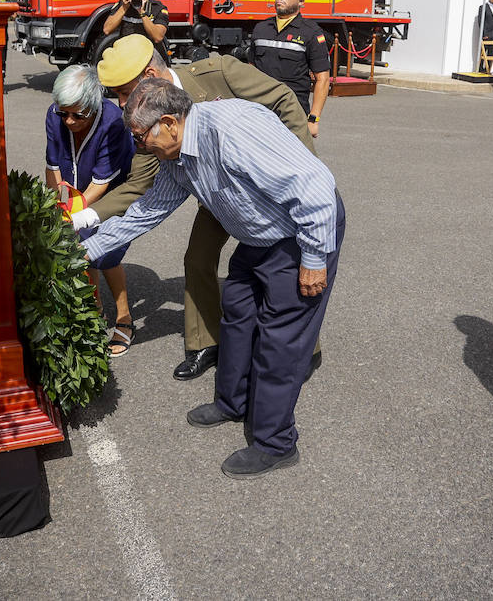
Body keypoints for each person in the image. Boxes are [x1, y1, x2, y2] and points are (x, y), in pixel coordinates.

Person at [81, 79, 344, 479]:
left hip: (301, 231)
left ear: (168, 122)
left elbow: (315, 188)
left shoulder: (233, 131)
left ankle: (276, 442)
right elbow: (148, 209)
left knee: (281, 339)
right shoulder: (176, 154)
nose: (138, 147)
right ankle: (232, 401)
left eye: (140, 137)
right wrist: (85, 251)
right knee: (237, 312)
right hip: (259, 234)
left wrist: (313, 257)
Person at [70, 35, 318, 381]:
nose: (123, 103)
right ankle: (206, 343)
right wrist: (83, 218)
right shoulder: (145, 119)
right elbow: (140, 188)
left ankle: (306, 348)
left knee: (292, 265)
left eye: (126, 92)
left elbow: (283, 99)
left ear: (150, 75)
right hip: (217, 193)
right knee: (197, 259)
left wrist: (300, 168)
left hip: (266, 183)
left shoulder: (218, 73)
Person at [44, 65, 136, 355]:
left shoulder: (113, 123)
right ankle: (94, 310)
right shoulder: (55, 113)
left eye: (77, 115)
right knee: (80, 246)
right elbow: (53, 167)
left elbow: (102, 183)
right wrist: (54, 208)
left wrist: (73, 216)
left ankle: (124, 318)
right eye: (63, 113)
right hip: (77, 187)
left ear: (93, 106)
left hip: (114, 191)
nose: (68, 120)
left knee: (105, 252)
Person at [249, 0, 330, 132]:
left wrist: (313, 119)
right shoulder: (261, 29)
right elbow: (250, 71)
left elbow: (323, 79)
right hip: (258, 111)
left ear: (301, 1)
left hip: (292, 114)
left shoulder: (311, 33)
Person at [102, 0, 171, 61]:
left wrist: (141, 11)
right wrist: (124, 8)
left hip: (149, 57)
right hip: (127, 55)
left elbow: (158, 37)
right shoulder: (122, 5)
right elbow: (107, 30)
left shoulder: (157, 8)